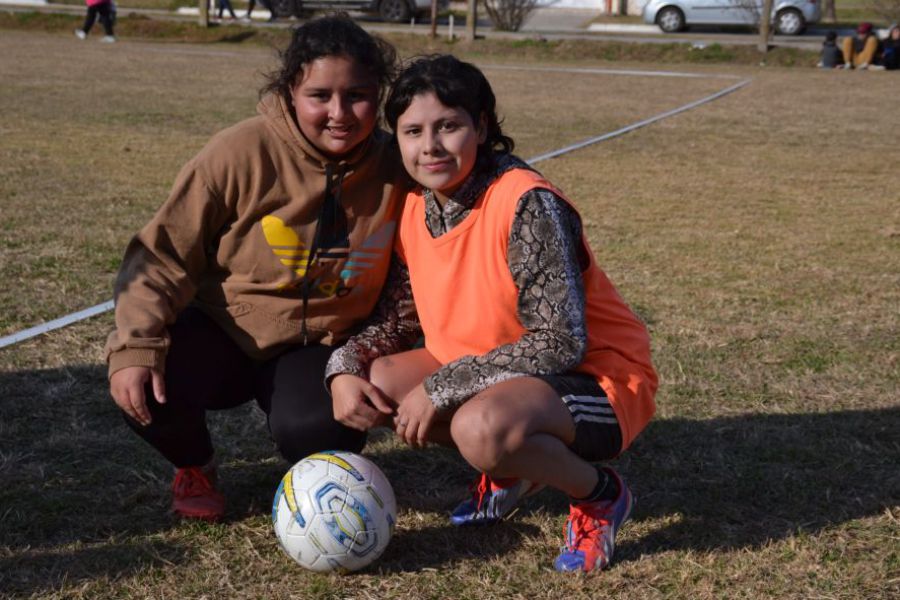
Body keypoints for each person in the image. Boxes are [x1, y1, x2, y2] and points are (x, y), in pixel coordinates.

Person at [326, 55, 657, 573]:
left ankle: (599, 495)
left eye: (449, 126)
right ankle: (510, 468)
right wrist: (344, 367)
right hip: (496, 372)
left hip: (597, 379)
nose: (430, 145)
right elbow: (399, 317)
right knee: (380, 382)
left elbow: (559, 341)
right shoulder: (418, 203)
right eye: (412, 131)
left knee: (480, 429)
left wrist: (441, 386)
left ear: (481, 126)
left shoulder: (526, 202)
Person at [105, 15, 406, 522]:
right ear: (291, 90)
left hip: (319, 347)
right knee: (144, 378)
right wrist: (136, 343)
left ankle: (310, 455)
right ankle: (195, 463)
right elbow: (163, 254)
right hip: (225, 330)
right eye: (319, 96)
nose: (339, 113)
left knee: (317, 431)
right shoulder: (238, 151)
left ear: (378, 96)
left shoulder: (398, 164)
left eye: (357, 95)